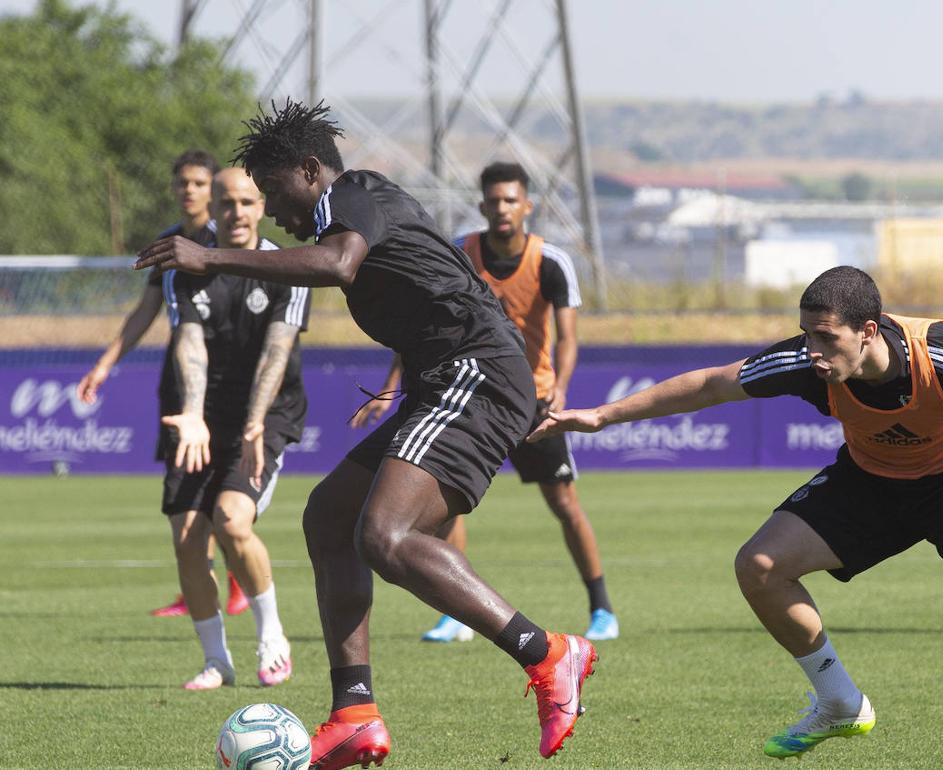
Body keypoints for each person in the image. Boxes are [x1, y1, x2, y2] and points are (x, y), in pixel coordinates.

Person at [531, 266, 943, 769]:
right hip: (873, 479)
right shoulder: (809, 363)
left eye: (825, 337)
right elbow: (711, 385)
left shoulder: (942, 353)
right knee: (759, 566)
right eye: (806, 334)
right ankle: (838, 700)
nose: (811, 350)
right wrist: (601, 417)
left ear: (868, 330)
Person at [136, 100, 598, 767]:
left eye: (272, 191)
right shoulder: (346, 214)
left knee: (385, 537)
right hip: (447, 380)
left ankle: (550, 653)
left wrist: (212, 258)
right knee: (330, 517)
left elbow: (337, 263)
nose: (267, 210)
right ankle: (354, 713)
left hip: (481, 374)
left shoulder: (356, 193)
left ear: (309, 169)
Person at [357, 162, 618, 644]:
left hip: (534, 401)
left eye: (510, 200)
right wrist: (393, 381)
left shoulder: (550, 260)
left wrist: (560, 385)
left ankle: (602, 608)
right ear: (482, 206)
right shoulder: (460, 251)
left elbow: (567, 337)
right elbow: (422, 323)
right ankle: (454, 614)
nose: (501, 208)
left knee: (564, 504)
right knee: (443, 505)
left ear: (526, 206)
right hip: (469, 395)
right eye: (493, 201)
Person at [77, 149, 249, 619]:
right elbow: (145, 313)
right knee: (184, 491)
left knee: (220, 494)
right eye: (182, 183)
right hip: (180, 383)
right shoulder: (169, 241)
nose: (188, 191)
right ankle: (197, 584)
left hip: (225, 386)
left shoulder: (229, 239)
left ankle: (236, 584)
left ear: (213, 189)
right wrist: (105, 364)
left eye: (198, 183)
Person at [160, 167, 308, 690]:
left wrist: (253, 425)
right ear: (212, 208)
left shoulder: (285, 267)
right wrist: (194, 413)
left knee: (231, 521)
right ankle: (216, 660)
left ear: (262, 206)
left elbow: (277, 350)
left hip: (266, 417)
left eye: (247, 202)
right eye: (227, 203)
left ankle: (273, 640)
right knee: (186, 538)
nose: (237, 213)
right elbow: (189, 344)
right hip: (207, 416)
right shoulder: (186, 268)